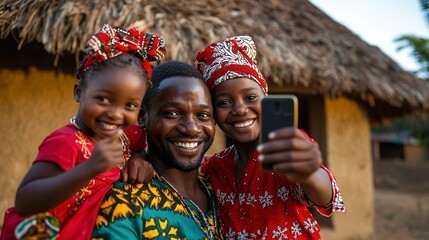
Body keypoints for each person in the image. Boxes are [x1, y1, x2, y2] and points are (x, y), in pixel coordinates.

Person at [4, 24, 166, 240]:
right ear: (79, 92)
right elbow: (25, 201)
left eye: (129, 105)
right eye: (103, 99)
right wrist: (90, 167)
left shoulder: (127, 137)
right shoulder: (67, 142)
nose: (115, 114)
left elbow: (144, 148)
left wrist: (138, 158)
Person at [195, 36, 345, 239]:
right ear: (212, 112)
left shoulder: (285, 146)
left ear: (265, 98)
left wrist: (308, 173)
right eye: (223, 102)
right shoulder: (216, 166)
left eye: (250, 98)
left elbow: (324, 196)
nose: (239, 109)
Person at [91, 61, 225, 239]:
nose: (192, 128)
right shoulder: (125, 203)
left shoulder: (223, 191)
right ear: (142, 117)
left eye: (203, 115)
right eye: (172, 113)